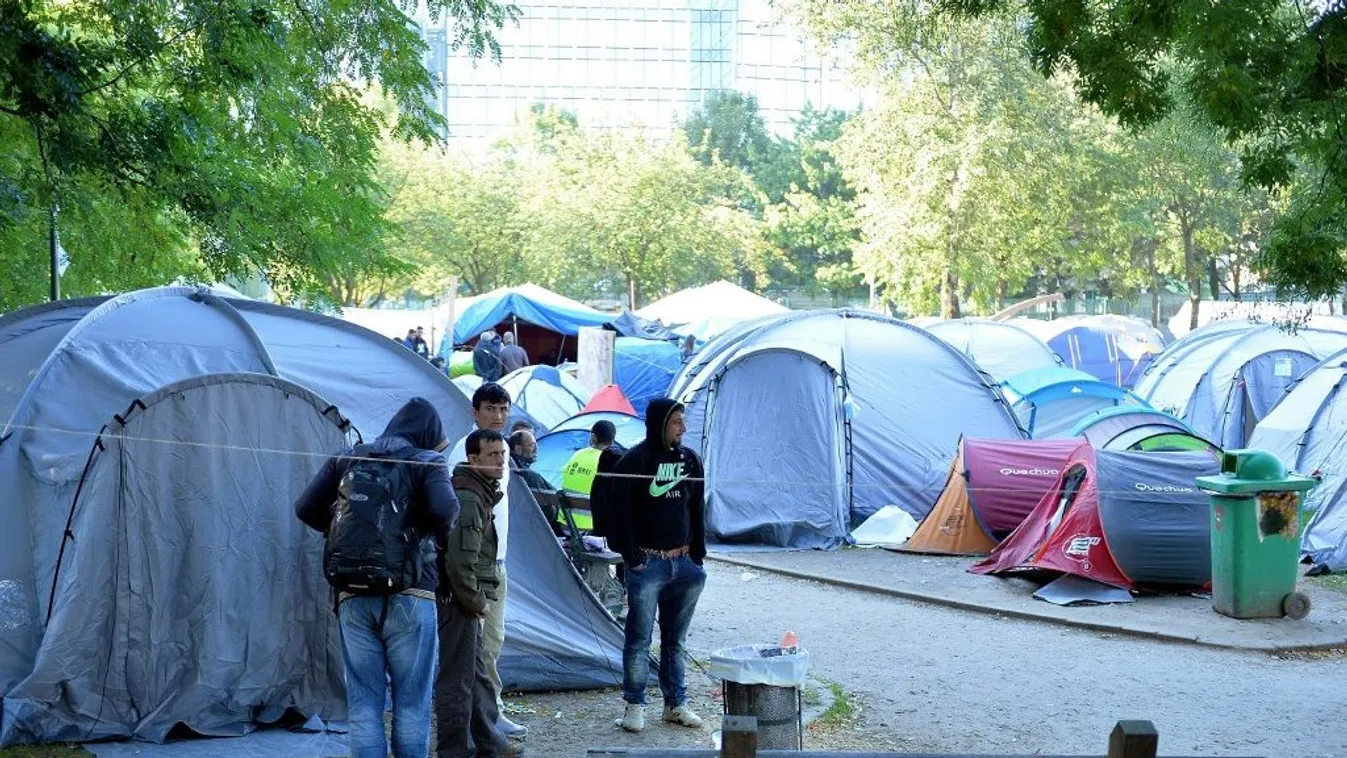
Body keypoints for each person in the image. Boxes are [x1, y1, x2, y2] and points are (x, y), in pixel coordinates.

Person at [294, 398, 458, 758]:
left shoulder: (349, 456)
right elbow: (445, 509)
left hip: (352, 593)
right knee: (411, 701)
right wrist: (426, 538)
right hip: (412, 591)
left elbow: (304, 507)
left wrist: (340, 535)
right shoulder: (426, 460)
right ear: (427, 434)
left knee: (364, 702)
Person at [608, 398, 707, 733]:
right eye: (677, 421)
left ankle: (675, 704)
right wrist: (633, 558)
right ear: (660, 423)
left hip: (684, 563)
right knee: (638, 638)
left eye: (683, 421)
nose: (683, 428)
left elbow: (697, 508)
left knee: (675, 641)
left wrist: (698, 554)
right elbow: (619, 515)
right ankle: (634, 705)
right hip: (648, 563)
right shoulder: (633, 461)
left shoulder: (690, 460)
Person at [436, 429, 522, 758]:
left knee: (477, 675)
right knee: (457, 681)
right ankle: (454, 750)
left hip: (467, 600)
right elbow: (459, 563)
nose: (501, 461)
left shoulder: (481, 491)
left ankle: (489, 743)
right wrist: (477, 602)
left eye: (503, 454)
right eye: (493, 455)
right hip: (459, 602)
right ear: (473, 460)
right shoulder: (469, 498)